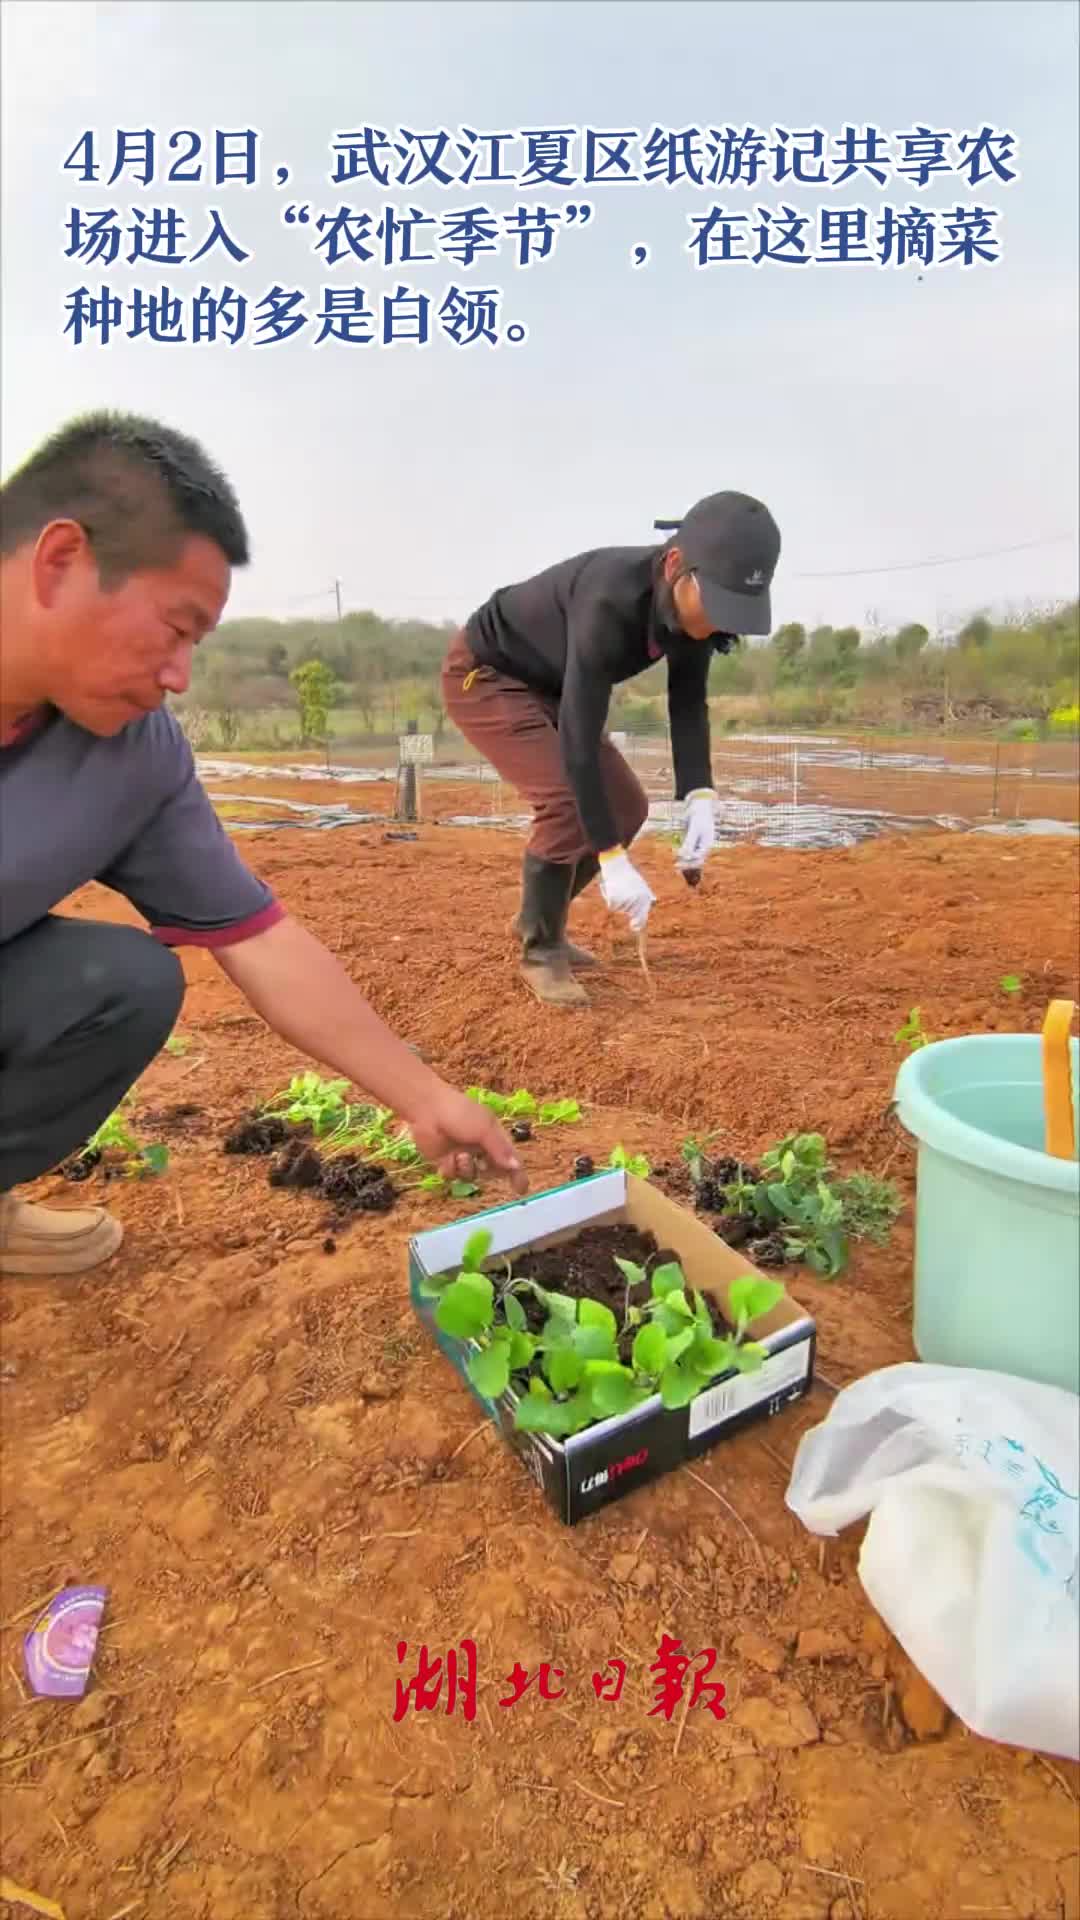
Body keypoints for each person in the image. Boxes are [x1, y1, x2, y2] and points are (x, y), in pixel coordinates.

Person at [0, 411, 527, 1279]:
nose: (179, 677)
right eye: (174, 628)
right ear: (60, 564)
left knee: (123, 983)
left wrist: (425, 1098)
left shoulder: (131, 751)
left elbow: (261, 941)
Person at [441, 491, 781, 1007]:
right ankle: (541, 950)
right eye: (716, 602)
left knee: (626, 806)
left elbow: (688, 703)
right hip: (490, 676)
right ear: (675, 564)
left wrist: (699, 796)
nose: (718, 622)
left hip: (553, 684)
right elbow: (578, 742)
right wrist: (610, 857)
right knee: (564, 801)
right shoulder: (609, 600)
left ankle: (536, 917)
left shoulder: (687, 615)